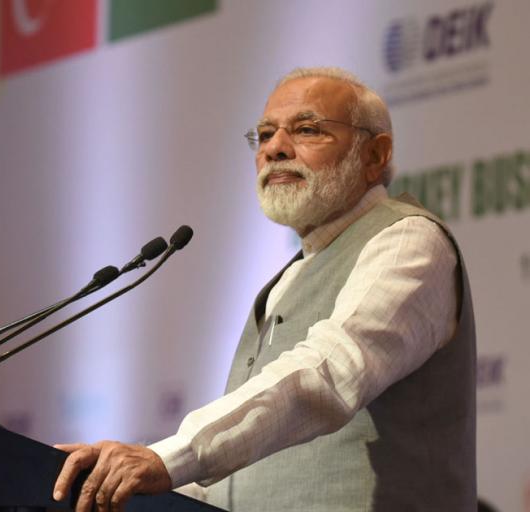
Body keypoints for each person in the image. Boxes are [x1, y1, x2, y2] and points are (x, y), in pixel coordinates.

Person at [53, 67, 476, 512]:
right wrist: (117, 480)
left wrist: (166, 458)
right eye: (266, 134)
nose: (275, 148)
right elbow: (250, 477)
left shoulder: (407, 241)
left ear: (375, 154)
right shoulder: (291, 276)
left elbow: (330, 372)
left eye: (307, 130)